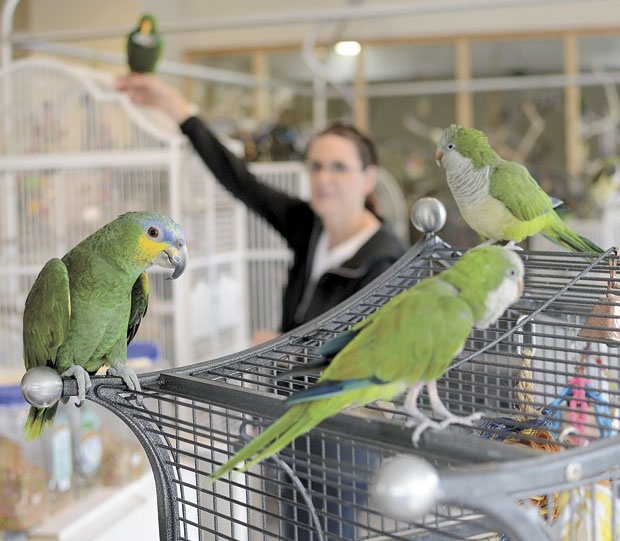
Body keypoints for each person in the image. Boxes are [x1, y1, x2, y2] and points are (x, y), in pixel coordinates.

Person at [116, 73, 408, 539]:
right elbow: (241, 181)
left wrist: (287, 348)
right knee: (293, 528)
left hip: (341, 433)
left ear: (368, 177)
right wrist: (177, 109)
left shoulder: (385, 258)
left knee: (327, 531)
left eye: (338, 167)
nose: (323, 179)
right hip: (290, 417)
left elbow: (368, 357)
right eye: (315, 166)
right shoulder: (308, 226)